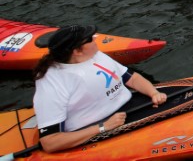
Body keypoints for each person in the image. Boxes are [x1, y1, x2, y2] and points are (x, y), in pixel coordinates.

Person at [32, 25, 167, 153]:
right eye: (90, 38)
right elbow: (49, 142)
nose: (96, 38)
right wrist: (103, 127)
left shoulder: (95, 55)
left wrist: (153, 92)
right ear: (77, 51)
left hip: (129, 109)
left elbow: (132, 78)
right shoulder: (52, 81)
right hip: (94, 129)